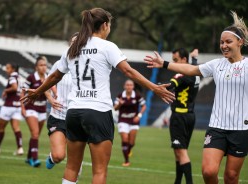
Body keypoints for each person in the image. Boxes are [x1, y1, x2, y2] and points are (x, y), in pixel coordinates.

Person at [21, 8, 174, 184]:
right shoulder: (107, 47)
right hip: (98, 112)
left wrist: (38, 92)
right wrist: (154, 88)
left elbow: (55, 75)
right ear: (104, 25)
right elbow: (128, 71)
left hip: (74, 112)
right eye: (110, 25)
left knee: (71, 167)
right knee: (99, 171)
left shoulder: (74, 48)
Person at [145, 11, 248, 184]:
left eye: (228, 42)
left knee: (231, 177)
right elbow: (192, 70)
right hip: (217, 127)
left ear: (240, 42)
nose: (224, 45)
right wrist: (164, 64)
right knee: (208, 171)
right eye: (221, 42)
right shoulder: (216, 65)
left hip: (241, 129)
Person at [45, 32, 79, 170]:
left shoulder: (88, 67)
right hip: (58, 116)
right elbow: (45, 85)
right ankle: (52, 157)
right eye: (73, 42)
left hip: (78, 118)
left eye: (79, 42)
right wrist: (50, 99)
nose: (75, 44)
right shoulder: (60, 64)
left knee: (75, 160)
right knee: (59, 156)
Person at [166, 48, 200, 184]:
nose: (173, 63)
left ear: (184, 60)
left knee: (181, 152)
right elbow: (193, 68)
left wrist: (153, 86)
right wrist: (194, 59)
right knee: (179, 151)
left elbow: (169, 86)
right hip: (190, 116)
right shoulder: (196, 73)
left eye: (175, 60)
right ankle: (177, 181)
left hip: (179, 117)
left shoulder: (180, 75)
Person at [0, 63, 23, 155]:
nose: (6, 70)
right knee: (16, 128)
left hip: (8, 106)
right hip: (17, 106)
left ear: (13, 69)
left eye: (8, 68)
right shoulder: (19, 77)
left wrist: (5, 90)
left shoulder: (12, 77)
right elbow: (20, 90)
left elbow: (14, 87)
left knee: (1, 128)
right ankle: (20, 148)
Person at [21, 56, 48, 167]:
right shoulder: (31, 78)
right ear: (36, 67)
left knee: (35, 135)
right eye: (41, 65)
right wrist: (22, 108)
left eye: (45, 65)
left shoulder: (48, 77)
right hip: (31, 107)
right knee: (35, 133)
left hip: (42, 109)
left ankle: (28, 158)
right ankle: (35, 159)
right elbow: (22, 92)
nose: (43, 67)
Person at [114, 79, 146, 167]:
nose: (129, 86)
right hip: (123, 120)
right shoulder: (120, 96)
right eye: (127, 85)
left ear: (133, 86)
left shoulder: (137, 96)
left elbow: (144, 106)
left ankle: (128, 149)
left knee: (131, 143)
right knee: (125, 140)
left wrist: (139, 116)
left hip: (134, 121)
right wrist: (120, 104)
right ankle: (126, 161)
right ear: (124, 86)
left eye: (130, 85)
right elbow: (115, 108)